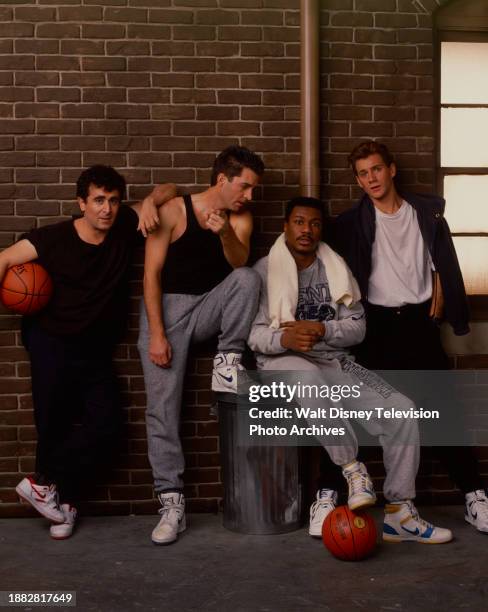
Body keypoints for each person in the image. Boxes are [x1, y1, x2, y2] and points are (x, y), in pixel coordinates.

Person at [248, 196, 453, 544]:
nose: (306, 230)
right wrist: (286, 337)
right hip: (282, 362)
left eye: (314, 224)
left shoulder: (336, 267)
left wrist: (325, 330)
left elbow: (358, 328)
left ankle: (400, 512)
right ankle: (352, 469)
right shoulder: (263, 271)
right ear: (286, 226)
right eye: (299, 222)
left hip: (336, 360)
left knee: (401, 410)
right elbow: (253, 336)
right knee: (307, 378)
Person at [0, 165, 176, 539]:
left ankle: (43, 482)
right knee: (54, 425)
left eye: (113, 200)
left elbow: (172, 189)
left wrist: (149, 202)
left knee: (108, 428)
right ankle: (64, 508)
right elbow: (4, 259)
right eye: (98, 200)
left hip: (95, 348)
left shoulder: (125, 225)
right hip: (51, 341)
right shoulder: (52, 239)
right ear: (81, 203)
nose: (106, 209)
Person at [329, 139, 488, 534]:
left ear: (392, 169)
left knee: (443, 412)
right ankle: (329, 497)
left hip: (418, 324)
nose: (371, 179)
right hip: (375, 328)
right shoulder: (351, 223)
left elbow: (443, 262)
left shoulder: (426, 213)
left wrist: (441, 293)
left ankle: (474, 496)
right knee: (361, 414)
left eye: (376, 169)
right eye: (363, 174)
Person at [138, 146, 264, 545]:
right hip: (167, 312)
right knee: (162, 409)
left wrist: (223, 230)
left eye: (253, 189)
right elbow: (151, 276)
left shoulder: (240, 216)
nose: (249, 196)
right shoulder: (174, 210)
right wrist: (157, 333)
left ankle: (228, 361)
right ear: (222, 180)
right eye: (245, 186)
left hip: (210, 307)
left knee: (249, 279)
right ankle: (172, 503)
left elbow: (239, 264)